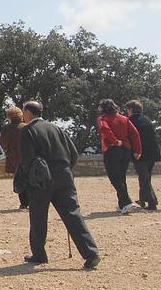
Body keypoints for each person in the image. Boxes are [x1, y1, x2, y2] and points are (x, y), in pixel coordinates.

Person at [18, 100, 100, 270]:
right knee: (73, 214)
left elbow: (26, 160)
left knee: (38, 216)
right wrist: (65, 170)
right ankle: (91, 253)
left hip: (41, 179)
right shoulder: (56, 128)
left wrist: (26, 182)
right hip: (64, 175)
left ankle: (39, 254)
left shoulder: (27, 131)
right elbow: (73, 154)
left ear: (28, 113)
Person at [96, 99, 142, 214]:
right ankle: (122, 205)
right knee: (121, 177)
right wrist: (137, 150)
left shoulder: (103, 118)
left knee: (114, 178)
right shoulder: (124, 118)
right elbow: (135, 133)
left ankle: (126, 202)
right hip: (126, 149)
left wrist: (115, 141)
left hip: (111, 149)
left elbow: (105, 129)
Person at [126, 100, 161, 211]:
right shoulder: (147, 120)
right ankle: (144, 199)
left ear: (131, 109)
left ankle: (151, 203)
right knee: (146, 177)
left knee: (144, 178)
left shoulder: (130, 121)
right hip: (152, 153)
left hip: (140, 153)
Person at [1, 106, 28, 209]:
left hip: (14, 157)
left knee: (19, 180)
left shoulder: (7, 129)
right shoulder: (26, 126)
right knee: (29, 178)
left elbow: (3, 143)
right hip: (27, 156)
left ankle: (24, 203)